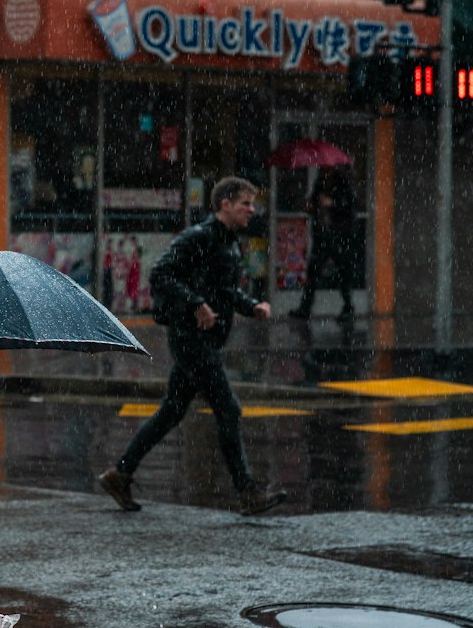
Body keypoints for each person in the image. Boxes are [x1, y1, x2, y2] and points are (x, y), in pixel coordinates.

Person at [98, 177, 288, 519]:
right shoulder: (198, 237)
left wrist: (251, 306)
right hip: (191, 340)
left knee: (172, 411)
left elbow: (225, 291)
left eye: (252, 204)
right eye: (245, 203)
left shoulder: (230, 243)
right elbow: (160, 274)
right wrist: (196, 303)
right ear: (225, 204)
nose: (251, 210)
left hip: (205, 340)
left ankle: (120, 474)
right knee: (228, 409)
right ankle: (247, 492)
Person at [289, 167, 357, 322]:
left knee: (343, 272)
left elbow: (350, 205)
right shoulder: (320, 182)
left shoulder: (343, 182)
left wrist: (333, 203)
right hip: (322, 235)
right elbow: (314, 203)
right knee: (313, 271)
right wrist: (311, 207)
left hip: (340, 235)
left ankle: (348, 307)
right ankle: (305, 307)